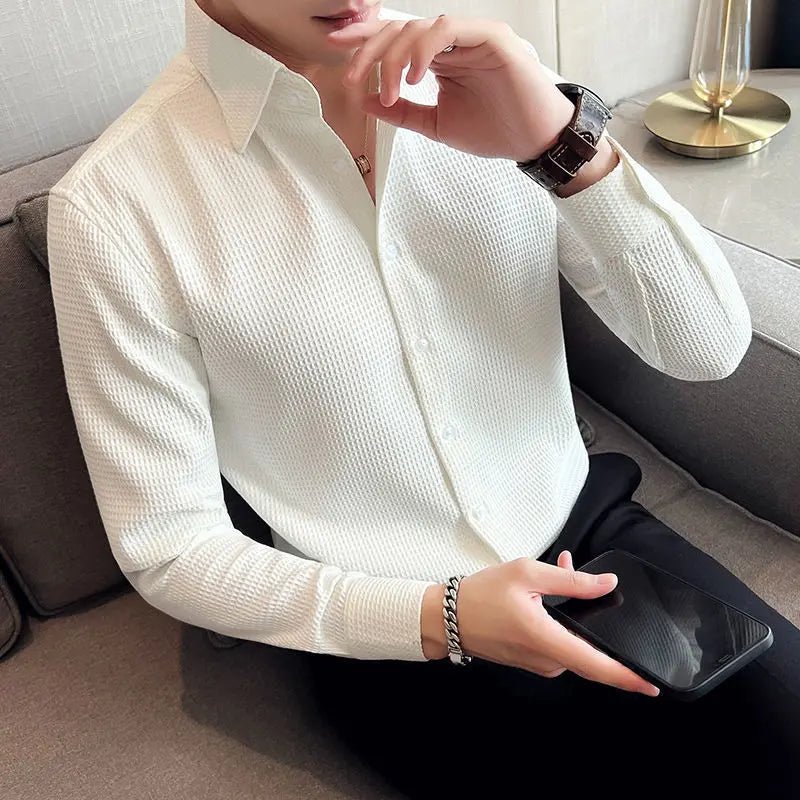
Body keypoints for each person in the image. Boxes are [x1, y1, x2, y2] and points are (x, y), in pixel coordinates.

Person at [46, 1, 799, 796]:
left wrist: (562, 147)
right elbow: (170, 547)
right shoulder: (113, 207)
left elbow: (706, 348)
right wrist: (440, 619)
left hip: (594, 541)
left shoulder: (496, 77)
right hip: (392, 628)